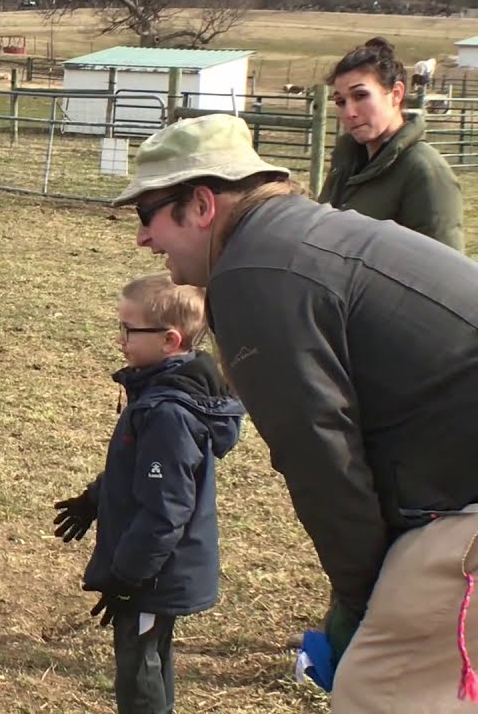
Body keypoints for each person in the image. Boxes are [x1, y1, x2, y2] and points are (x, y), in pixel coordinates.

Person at [113, 112, 478, 713]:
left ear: (201, 205)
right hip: (452, 480)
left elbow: (321, 457)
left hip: (462, 508)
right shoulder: (297, 235)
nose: (143, 239)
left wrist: (363, 604)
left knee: (379, 692)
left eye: (146, 215)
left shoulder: (256, 275)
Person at [53, 273, 243, 714]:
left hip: (154, 574)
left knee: (139, 667)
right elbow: (139, 475)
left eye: (129, 329)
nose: (120, 339)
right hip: (154, 569)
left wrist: (127, 579)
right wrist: (94, 499)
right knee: (151, 655)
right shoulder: (158, 394)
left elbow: (165, 509)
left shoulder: (167, 414)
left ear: (170, 340)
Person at [318, 37, 464, 251]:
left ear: (396, 94)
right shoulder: (345, 160)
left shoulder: (425, 171)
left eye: (361, 95)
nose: (349, 113)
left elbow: (445, 272)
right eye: (341, 101)